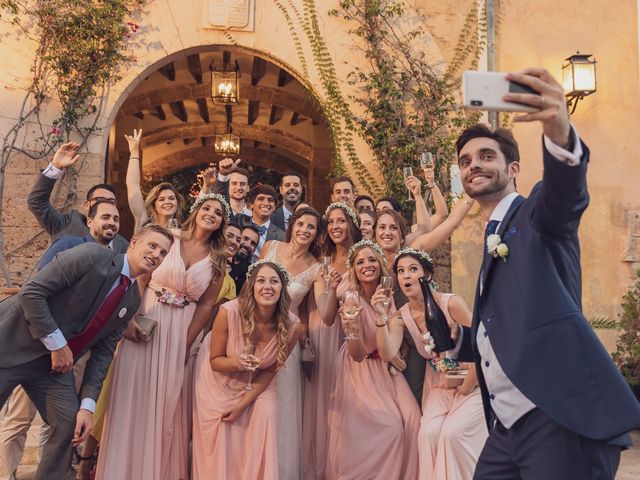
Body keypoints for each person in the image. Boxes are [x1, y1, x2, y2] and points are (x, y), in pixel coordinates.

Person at [456, 68, 640, 479]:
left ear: (514, 168)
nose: (474, 166)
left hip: (555, 414)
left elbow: (567, 194)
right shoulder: (491, 239)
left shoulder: (535, 214)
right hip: (506, 427)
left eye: (487, 156)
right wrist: (457, 341)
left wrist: (559, 130)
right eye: (465, 161)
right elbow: (506, 327)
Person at [0, 225, 173, 480]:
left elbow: (103, 355)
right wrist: (57, 345)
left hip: (51, 371)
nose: (156, 254)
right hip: (12, 346)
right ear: (134, 242)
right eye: (152, 246)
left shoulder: (132, 300)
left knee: (70, 423)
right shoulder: (92, 256)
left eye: (163, 253)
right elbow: (32, 292)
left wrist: (88, 407)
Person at [96, 193, 229, 480]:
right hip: (147, 319)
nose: (211, 214)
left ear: (222, 222)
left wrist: (186, 344)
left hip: (181, 332)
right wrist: (129, 319)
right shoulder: (169, 237)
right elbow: (142, 277)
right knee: (133, 392)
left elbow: (206, 305)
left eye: (218, 213)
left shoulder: (219, 260)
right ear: (195, 210)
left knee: (169, 403)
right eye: (206, 208)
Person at [377, 248, 487, 479]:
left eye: (413, 269)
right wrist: (380, 317)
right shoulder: (401, 316)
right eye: (401, 271)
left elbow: (482, 344)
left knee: (452, 434)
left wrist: (468, 384)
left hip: (472, 382)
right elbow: (388, 352)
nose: (406, 275)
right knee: (428, 434)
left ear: (427, 276)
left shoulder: (450, 303)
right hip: (438, 386)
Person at [191, 260, 301, 479]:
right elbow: (215, 360)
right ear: (251, 287)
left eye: (274, 281)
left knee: (265, 415)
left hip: (259, 383)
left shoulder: (292, 325)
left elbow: (270, 371)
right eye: (260, 281)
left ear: (282, 288)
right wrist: (238, 363)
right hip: (218, 379)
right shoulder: (228, 312)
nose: (267, 286)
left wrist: (243, 403)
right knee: (221, 430)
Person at [326, 240, 419, 479]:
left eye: (371, 260)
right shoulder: (351, 301)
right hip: (360, 370)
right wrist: (351, 327)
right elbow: (357, 355)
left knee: (413, 419)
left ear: (380, 264)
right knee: (391, 427)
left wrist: (394, 353)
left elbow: (392, 338)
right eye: (360, 262)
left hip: (386, 368)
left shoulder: (387, 294)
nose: (367, 265)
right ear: (354, 271)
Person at [260, 207, 339, 480]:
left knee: (282, 408)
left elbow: (327, 316)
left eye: (312, 227)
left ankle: (278, 472)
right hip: (255, 333)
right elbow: (250, 289)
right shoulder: (270, 247)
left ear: (317, 234)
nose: (305, 230)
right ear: (292, 225)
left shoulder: (316, 268)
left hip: (287, 341)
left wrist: (330, 288)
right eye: (301, 224)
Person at [303, 201, 362, 479]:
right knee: (323, 398)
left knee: (347, 396)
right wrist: (328, 284)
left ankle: (344, 464)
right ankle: (320, 466)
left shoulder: (363, 258)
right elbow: (323, 313)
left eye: (341, 221)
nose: (336, 227)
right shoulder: (321, 260)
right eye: (331, 222)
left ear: (351, 225)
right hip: (323, 329)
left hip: (350, 333)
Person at [27, 142, 128, 251]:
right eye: (99, 200)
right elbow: (36, 202)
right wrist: (55, 166)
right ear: (86, 204)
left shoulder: (121, 244)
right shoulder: (65, 224)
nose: (105, 205)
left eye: (111, 202)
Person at [125, 129, 185, 229]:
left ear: (177, 203)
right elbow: (132, 185)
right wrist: (134, 152)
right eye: (161, 199)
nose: (167, 202)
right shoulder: (144, 224)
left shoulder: (184, 233)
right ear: (154, 205)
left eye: (171, 198)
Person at [237, 185, 285, 260]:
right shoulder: (239, 221)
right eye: (261, 199)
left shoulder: (281, 236)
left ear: (274, 207)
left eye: (270, 200)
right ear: (252, 204)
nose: (266, 203)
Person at [229, 225, 260, 293]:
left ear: (254, 250)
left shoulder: (250, 274)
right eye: (245, 239)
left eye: (253, 243)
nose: (247, 245)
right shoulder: (218, 256)